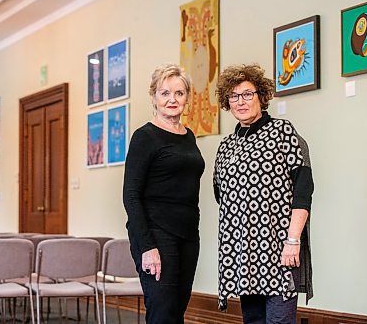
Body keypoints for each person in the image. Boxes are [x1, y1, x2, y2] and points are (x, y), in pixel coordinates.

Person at [213, 64, 314, 324]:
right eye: (233, 96)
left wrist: (293, 239)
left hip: (280, 249)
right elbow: (221, 195)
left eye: (247, 94)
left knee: (279, 320)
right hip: (243, 253)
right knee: (253, 320)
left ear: (261, 96)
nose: (240, 102)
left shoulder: (283, 132)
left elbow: (303, 190)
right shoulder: (226, 146)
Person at [123, 63, 205, 324]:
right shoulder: (144, 137)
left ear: (187, 98)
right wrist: (147, 246)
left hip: (188, 235)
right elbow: (131, 195)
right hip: (156, 235)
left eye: (179, 93)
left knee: (177, 310)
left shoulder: (188, 136)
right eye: (165, 93)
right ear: (153, 97)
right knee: (162, 313)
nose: (172, 99)